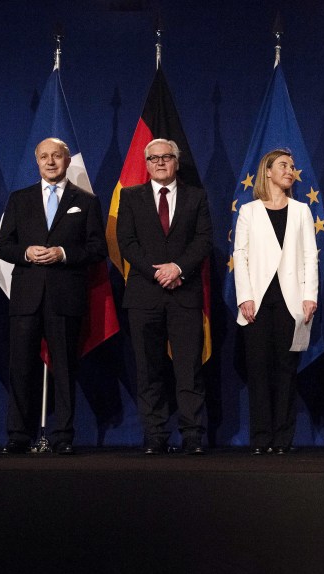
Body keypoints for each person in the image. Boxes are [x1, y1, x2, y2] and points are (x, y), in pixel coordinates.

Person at [0, 137, 107, 455]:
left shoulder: (85, 201)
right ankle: (18, 433)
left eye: (56, 156)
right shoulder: (19, 199)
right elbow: (3, 246)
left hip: (65, 296)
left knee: (66, 368)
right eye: (44, 157)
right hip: (27, 297)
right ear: (37, 161)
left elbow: (99, 249)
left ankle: (63, 435)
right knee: (20, 367)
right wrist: (26, 252)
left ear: (67, 160)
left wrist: (63, 253)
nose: (50, 161)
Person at [116, 139, 212, 455]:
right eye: (153, 158)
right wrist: (158, 271)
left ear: (176, 161)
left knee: (188, 369)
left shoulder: (195, 197)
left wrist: (179, 268)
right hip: (145, 295)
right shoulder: (130, 197)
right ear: (146, 164)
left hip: (184, 294)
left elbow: (203, 240)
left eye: (166, 157)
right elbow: (127, 243)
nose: (160, 162)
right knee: (149, 368)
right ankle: (155, 434)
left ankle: (193, 435)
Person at [233, 149, 319, 455]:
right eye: (284, 165)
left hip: (291, 302)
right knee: (258, 371)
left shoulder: (301, 211)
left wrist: (310, 296)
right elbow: (240, 255)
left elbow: (311, 255)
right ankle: (261, 439)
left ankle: (283, 439)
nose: (290, 170)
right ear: (267, 171)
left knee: (286, 371)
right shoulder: (249, 211)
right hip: (256, 302)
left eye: (292, 166)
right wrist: (245, 296)